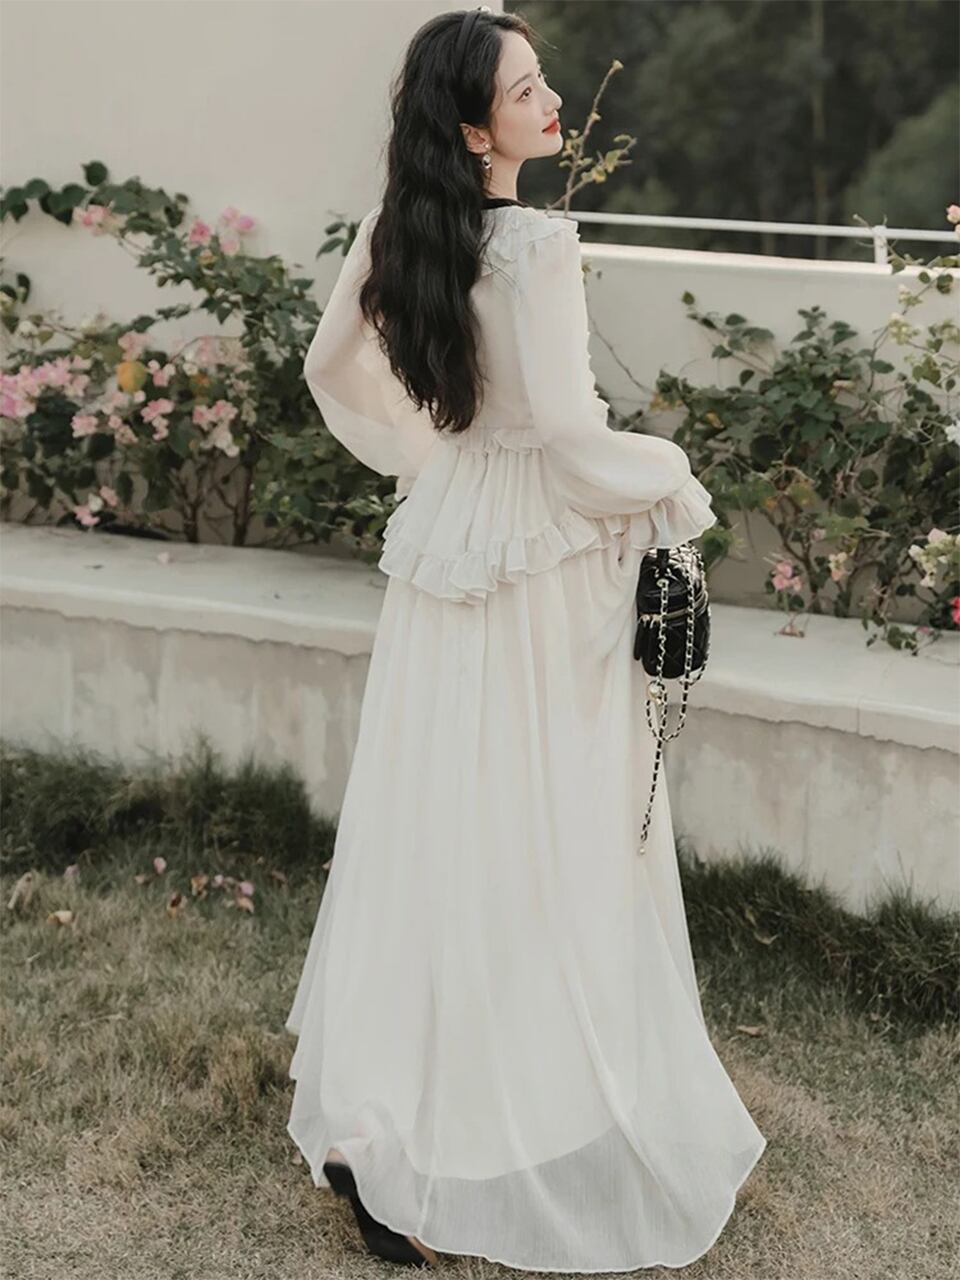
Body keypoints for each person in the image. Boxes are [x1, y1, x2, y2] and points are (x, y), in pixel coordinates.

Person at [285, 6, 767, 1272]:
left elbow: (331, 365)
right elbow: (562, 425)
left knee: (433, 822)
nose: (552, 103)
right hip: (538, 558)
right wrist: (669, 473)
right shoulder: (540, 244)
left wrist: (429, 457)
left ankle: (389, 1119)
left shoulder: (394, 229)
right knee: (544, 821)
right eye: (525, 91)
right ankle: (504, 1110)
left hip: (451, 538)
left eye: (546, 82)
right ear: (472, 128)